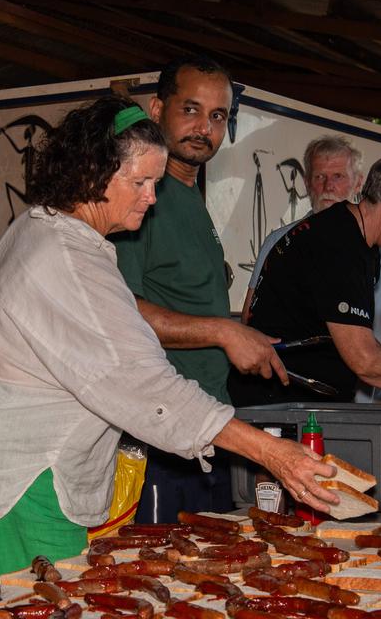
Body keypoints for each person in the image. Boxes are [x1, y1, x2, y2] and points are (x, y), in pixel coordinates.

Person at [0, 94, 338, 577]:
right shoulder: (67, 257)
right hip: (33, 484)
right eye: (141, 182)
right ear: (92, 174)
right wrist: (271, 452)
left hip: (17, 471)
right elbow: (142, 384)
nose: (152, 197)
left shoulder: (43, 228)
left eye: (155, 181)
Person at [111, 56, 287, 523]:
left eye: (217, 116)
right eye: (190, 110)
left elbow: (176, 296)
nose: (204, 128)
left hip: (206, 427)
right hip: (158, 434)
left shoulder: (187, 195)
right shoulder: (142, 198)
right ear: (155, 110)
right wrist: (223, 333)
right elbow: (118, 309)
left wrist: (236, 332)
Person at [230, 143, 381, 407]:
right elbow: (365, 361)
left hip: (301, 404)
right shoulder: (337, 245)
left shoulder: (358, 241)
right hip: (277, 405)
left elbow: (361, 341)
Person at [240, 135, 381, 401]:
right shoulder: (280, 239)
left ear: (358, 182)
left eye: (338, 176)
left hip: (362, 395)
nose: (328, 186)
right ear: (307, 183)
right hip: (296, 394)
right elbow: (249, 321)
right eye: (319, 177)